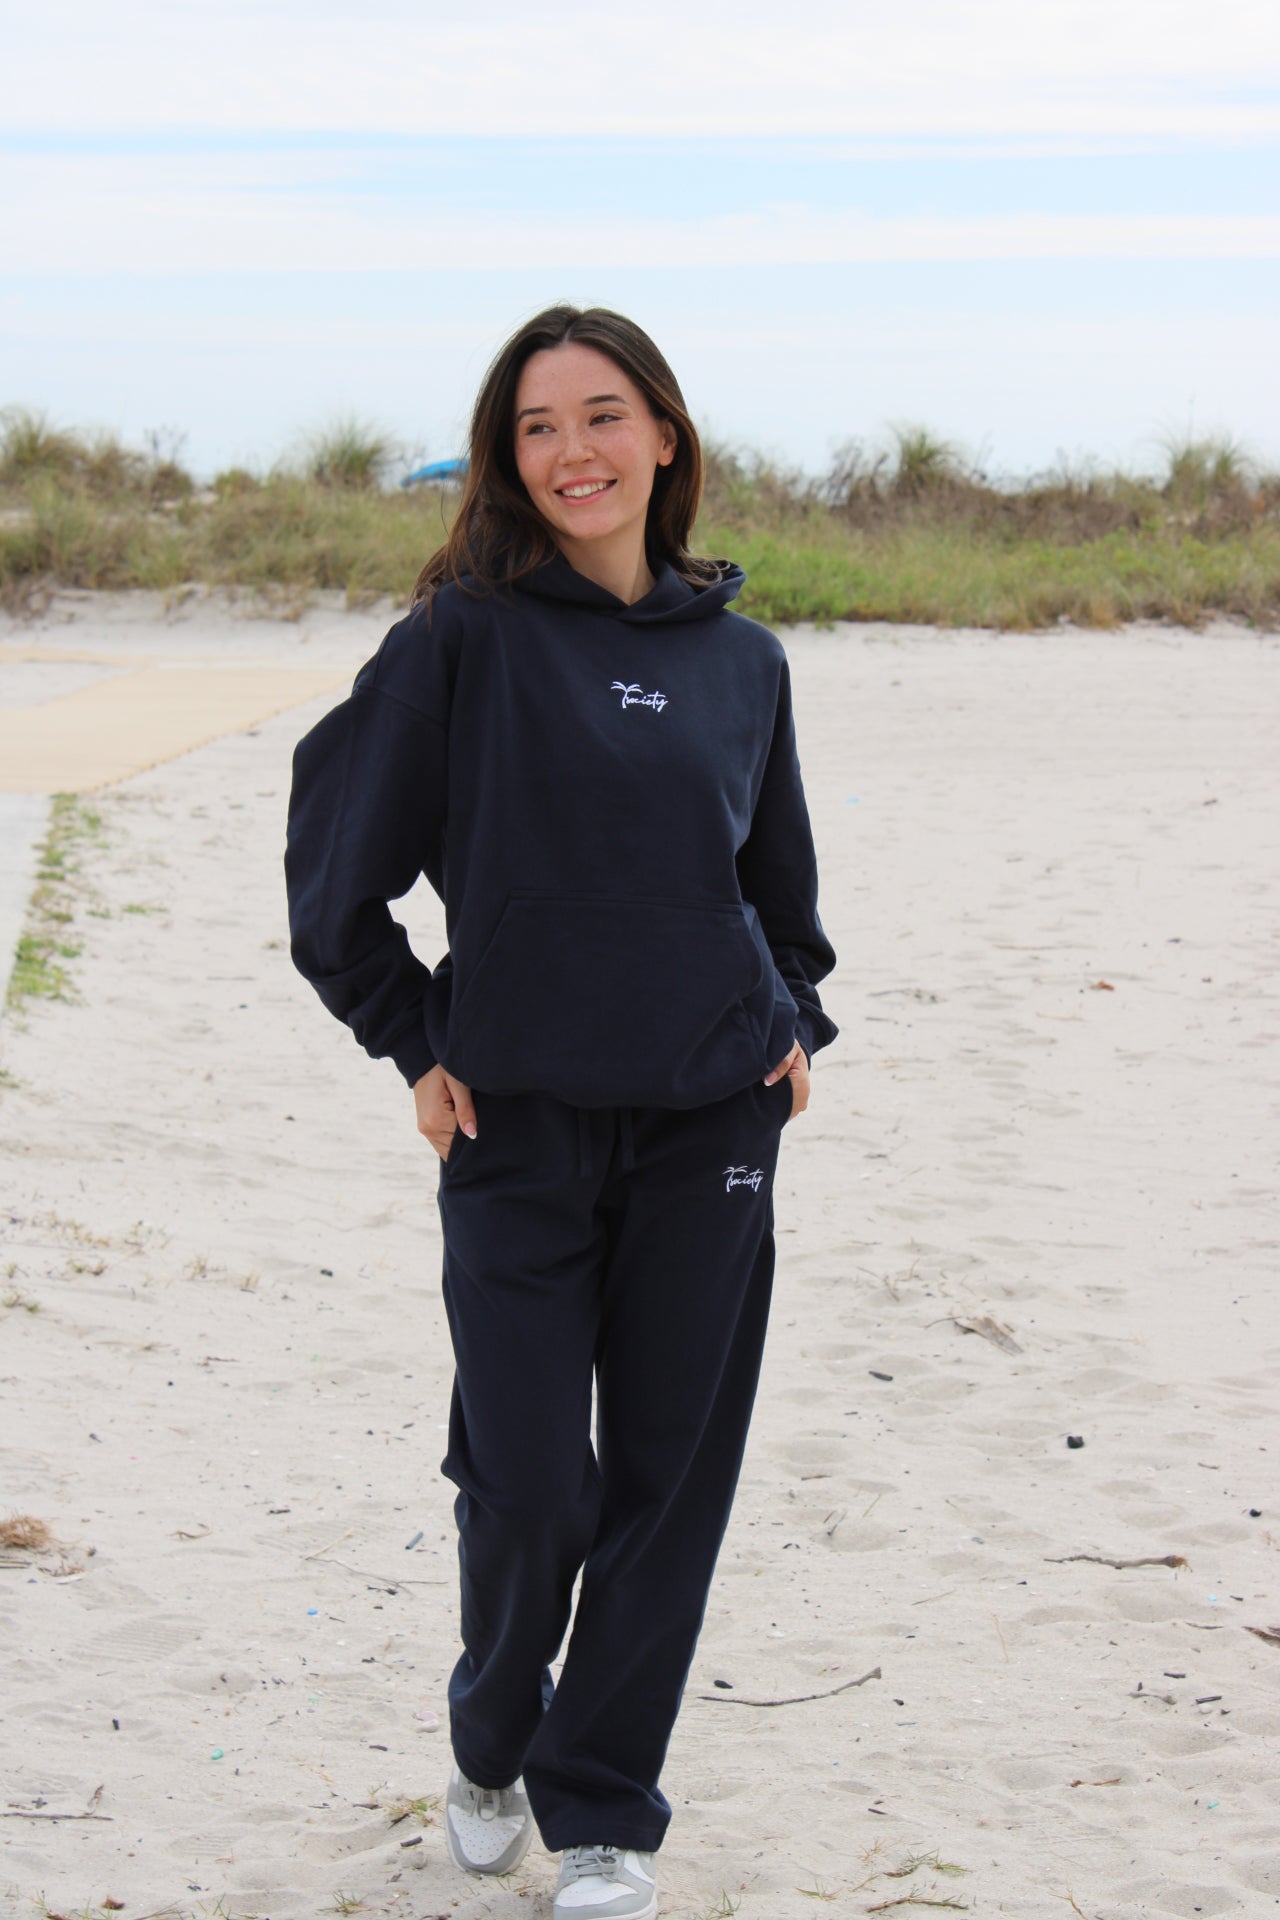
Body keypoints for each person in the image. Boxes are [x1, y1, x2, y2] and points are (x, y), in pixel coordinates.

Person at [284, 304, 837, 1920]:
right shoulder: (463, 637)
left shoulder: (745, 663)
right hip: (515, 1125)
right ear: (505, 456)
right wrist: (413, 1040)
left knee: (668, 1483)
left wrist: (791, 1024)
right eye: (536, 426)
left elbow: (778, 892)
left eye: (602, 416)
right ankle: (492, 1742)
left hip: (708, 1128)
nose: (572, 451)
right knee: (530, 1485)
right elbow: (336, 874)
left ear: (663, 434)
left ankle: (603, 1811)